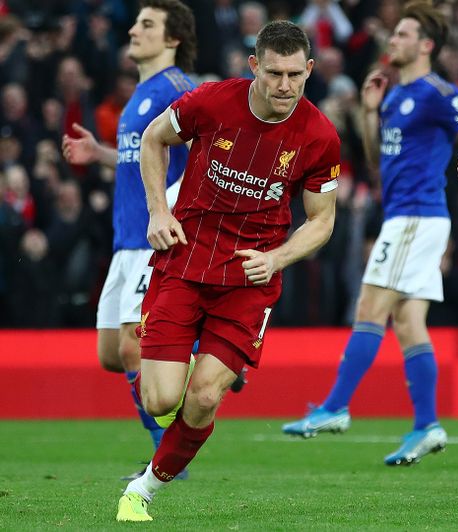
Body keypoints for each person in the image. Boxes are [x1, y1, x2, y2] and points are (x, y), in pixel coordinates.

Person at [115, 20, 340, 521]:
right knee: (159, 400)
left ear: (308, 70)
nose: (285, 86)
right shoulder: (211, 102)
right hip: (185, 261)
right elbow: (154, 139)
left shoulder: (320, 136)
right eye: (274, 73)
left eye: (295, 76)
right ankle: (189, 364)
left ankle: (145, 487)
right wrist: (157, 210)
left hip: (250, 279)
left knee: (204, 396)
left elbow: (322, 220)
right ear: (254, 66)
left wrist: (277, 258)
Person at [282, 0, 458, 466]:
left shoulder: (437, 92)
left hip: (417, 218)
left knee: (369, 306)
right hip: (405, 216)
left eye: (404, 34)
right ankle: (426, 425)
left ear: (426, 45)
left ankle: (334, 407)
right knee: (408, 324)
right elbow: (376, 162)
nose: (394, 39)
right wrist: (369, 113)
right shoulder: (396, 97)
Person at [61, 0, 198, 480]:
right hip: (126, 241)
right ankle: (199, 345)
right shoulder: (142, 93)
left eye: (147, 24)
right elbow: (140, 159)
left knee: (131, 348)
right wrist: (100, 152)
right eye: (137, 22)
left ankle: (168, 460)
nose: (134, 30)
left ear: (173, 38)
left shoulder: (181, 89)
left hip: (157, 239)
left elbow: (215, 147)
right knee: (108, 354)